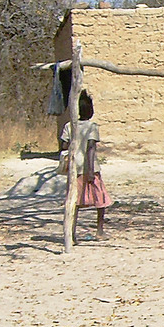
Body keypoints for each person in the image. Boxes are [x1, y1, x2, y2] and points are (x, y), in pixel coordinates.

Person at [60, 91, 112, 241]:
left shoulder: (70, 126)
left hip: (74, 169)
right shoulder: (91, 127)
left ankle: (72, 234)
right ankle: (99, 231)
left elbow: (64, 144)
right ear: (91, 111)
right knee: (101, 201)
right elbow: (91, 148)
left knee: (74, 203)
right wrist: (90, 171)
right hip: (89, 169)